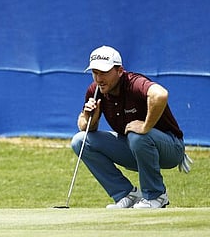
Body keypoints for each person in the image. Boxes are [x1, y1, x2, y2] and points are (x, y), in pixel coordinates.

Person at [71, 45, 193, 209]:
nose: (99, 78)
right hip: (134, 149)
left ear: (120, 71)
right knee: (80, 140)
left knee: (137, 135)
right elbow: (84, 128)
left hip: (170, 149)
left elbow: (160, 94)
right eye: (95, 72)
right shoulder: (96, 90)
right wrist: (89, 116)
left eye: (104, 72)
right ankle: (126, 194)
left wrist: (145, 126)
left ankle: (156, 195)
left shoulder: (134, 83)